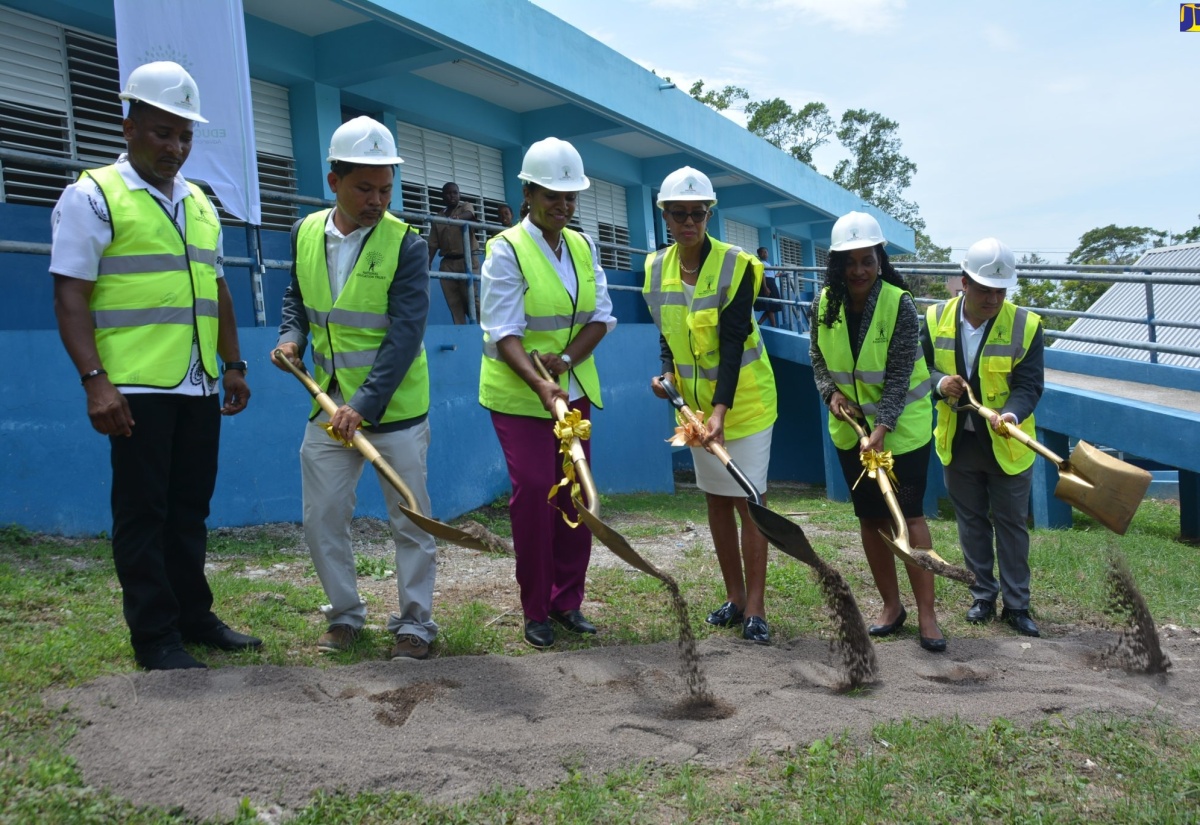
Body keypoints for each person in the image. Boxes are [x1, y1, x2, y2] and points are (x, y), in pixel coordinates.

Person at [49, 61, 259, 671]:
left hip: (197, 383)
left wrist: (234, 363)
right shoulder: (92, 196)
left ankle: (193, 616)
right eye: (164, 132)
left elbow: (215, 289)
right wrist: (96, 382)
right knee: (144, 513)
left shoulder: (199, 202)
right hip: (133, 387)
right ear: (129, 127)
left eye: (186, 135)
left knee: (191, 507)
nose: (177, 147)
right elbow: (69, 298)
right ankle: (155, 636)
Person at [274, 116, 438, 661]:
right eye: (364, 188)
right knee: (322, 516)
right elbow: (295, 298)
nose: (377, 200)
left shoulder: (407, 246)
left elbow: (405, 334)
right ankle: (344, 616)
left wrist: (363, 406)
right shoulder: (304, 233)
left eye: (386, 188)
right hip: (327, 405)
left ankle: (416, 624)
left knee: (410, 518)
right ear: (334, 181)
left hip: (394, 411)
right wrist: (290, 336)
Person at [478, 137, 616, 649]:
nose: (562, 205)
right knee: (536, 492)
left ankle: (567, 602)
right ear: (529, 193)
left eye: (570, 197)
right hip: (521, 395)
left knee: (575, 493)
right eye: (552, 195)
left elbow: (601, 317)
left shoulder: (582, 246)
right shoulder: (506, 248)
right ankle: (535, 607)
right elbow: (502, 330)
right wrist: (539, 381)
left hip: (572, 391)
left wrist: (568, 361)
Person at [644, 167, 778, 644]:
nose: (688, 222)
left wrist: (720, 411)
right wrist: (667, 372)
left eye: (697, 214)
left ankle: (757, 609)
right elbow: (667, 330)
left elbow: (734, 337)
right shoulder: (655, 267)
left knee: (751, 502)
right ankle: (735, 597)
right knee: (718, 502)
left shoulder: (735, 264)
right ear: (664, 215)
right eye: (679, 214)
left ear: (708, 215)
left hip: (745, 405)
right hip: (697, 412)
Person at [809, 211, 945, 653]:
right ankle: (891, 606)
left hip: (901, 431)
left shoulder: (898, 303)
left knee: (909, 514)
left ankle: (927, 613)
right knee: (870, 517)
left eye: (866, 260)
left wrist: (882, 427)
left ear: (879, 259)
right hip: (851, 432)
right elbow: (817, 357)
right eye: (849, 262)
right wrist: (830, 393)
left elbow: (902, 370)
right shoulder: (822, 304)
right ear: (837, 264)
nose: (858, 270)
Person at [920, 238, 1044, 637]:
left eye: (1000, 290)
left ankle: (1018, 605)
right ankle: (982, 596)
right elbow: (920, 370)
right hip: (958, 439)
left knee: (1011, 524)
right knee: (971, 522)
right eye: (985, 289)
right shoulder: (934, 317)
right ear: (964, 283)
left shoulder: (1026, 325)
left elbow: (1029, 385)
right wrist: (941, 385)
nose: (993, 298)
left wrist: (1012, 413)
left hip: (1007, 442)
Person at [428, 181, 481, 324]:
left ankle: (486, 329)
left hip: (467, 261)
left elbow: (470, 215)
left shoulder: (465, 206)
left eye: (454, 193)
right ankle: (461, 332)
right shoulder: (438, 217)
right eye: (448, 193)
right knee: (454, 303)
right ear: (443, 197)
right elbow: (433, 244)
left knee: (471, 299)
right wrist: (427, 264)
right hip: (448, 264)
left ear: (459, 195)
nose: (451, 196)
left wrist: (458, 219)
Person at [755, 246, 780, 328]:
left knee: (770, 307)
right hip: (767, 284)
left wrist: (776, 275)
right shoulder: (761, 263)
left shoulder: (768, 263)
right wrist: (765, 287)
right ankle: (774, 325)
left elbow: (770, 275)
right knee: (770, 306)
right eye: (762, 252)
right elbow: (763, 275)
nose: (764, 254)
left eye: (765, 252)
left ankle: (759, 323)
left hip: (771, 283)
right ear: (759, 254)